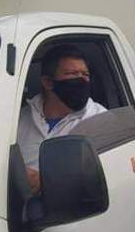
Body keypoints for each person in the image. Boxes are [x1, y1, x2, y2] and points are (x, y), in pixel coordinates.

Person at [17, 45, 106, 194]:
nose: (82, 79)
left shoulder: (101, 120)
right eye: (72, 74)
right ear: (48, 82)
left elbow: (109, 177)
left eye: (85, 74)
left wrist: (44, 182)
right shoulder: (19, 119)